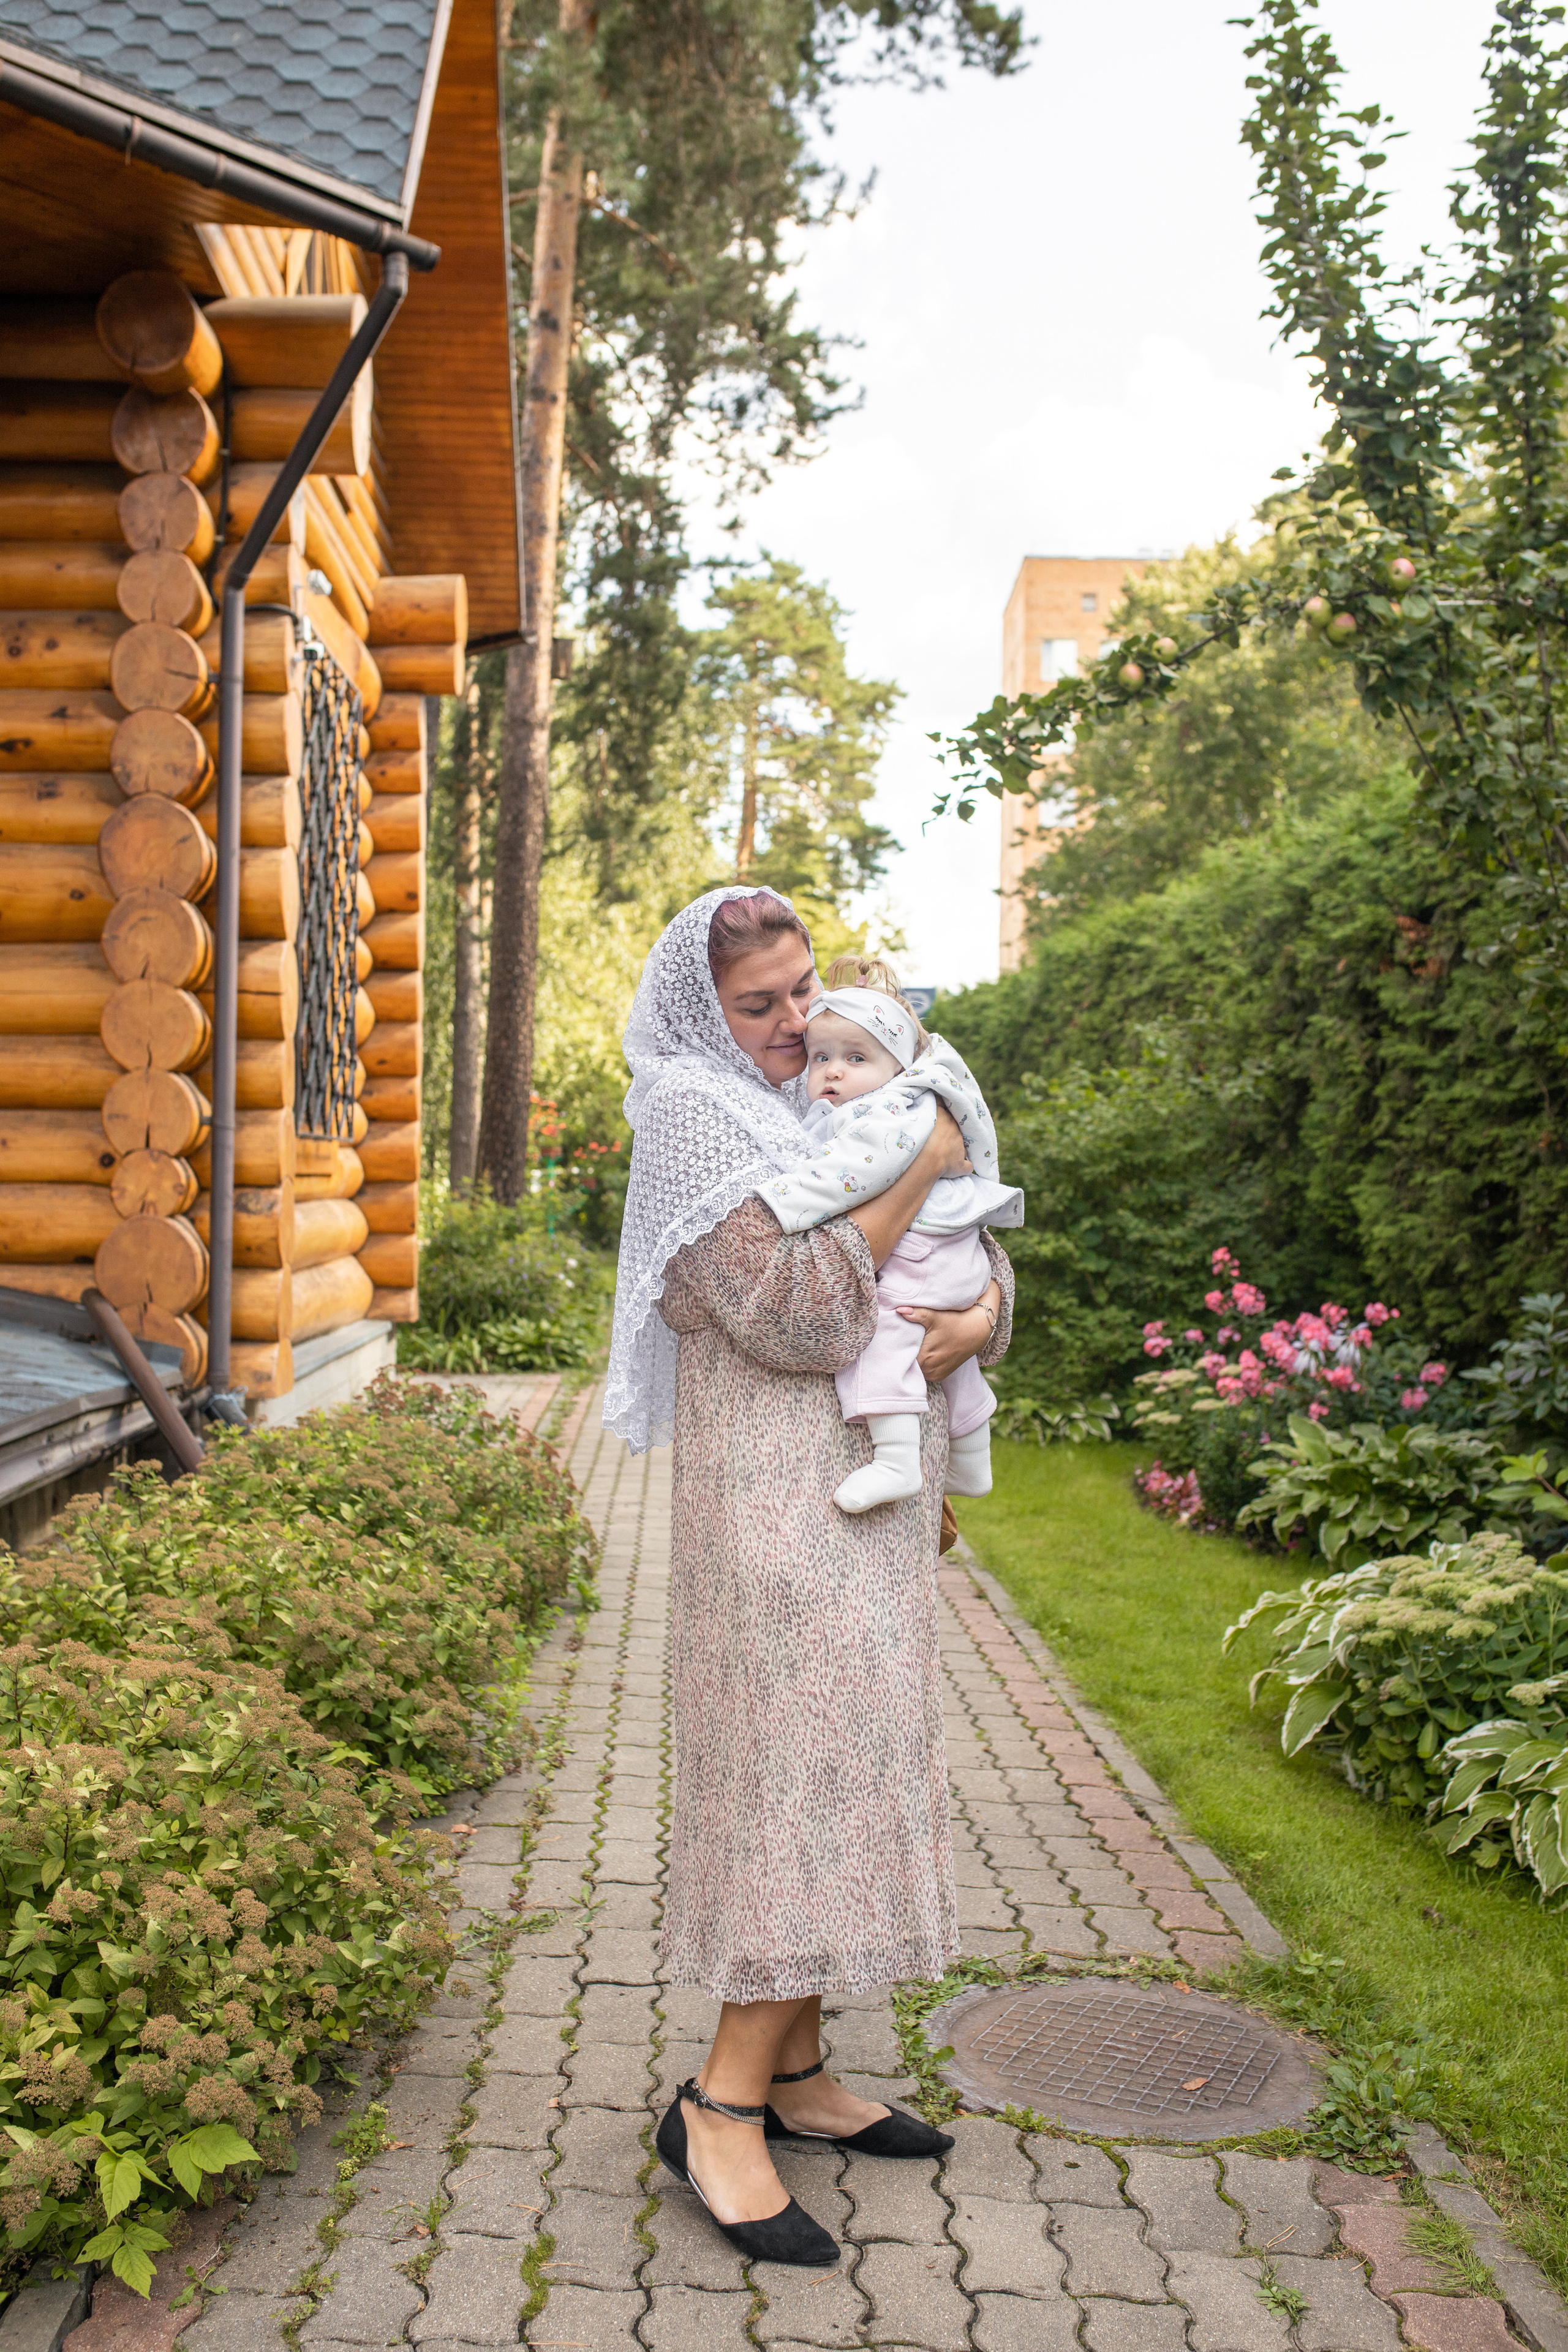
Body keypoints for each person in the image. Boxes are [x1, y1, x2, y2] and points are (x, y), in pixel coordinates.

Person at [605, 884, 1014, 2268]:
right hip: (770, 1514)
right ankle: (714, 2107)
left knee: (846, 1769)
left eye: (800, 991)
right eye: (757, 1006)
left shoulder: (816, 1099)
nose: (792, 1026)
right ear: (697, 1012)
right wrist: (928, 1150)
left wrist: (982, 1310)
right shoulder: (691, 1116)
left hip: (855, 1511)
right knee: (790, 1780)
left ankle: (794, 2073)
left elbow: (956, 1251)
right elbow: (804, 1310)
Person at [774, 959, 1023, 1515]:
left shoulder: (886, 1114)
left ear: (899, 1067)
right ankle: (974, 1457)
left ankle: (895, 1459)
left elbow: (849, 1178)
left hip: (921, 1257)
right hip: (957, 1260)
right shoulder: (915, 1107)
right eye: (821, 1059)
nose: (833, 1073)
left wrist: (786, 1203)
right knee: (946, 1357)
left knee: (884, 1335)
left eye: (855, 1058)